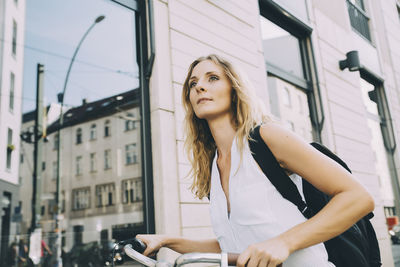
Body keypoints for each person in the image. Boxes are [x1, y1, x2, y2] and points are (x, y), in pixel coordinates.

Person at [136, 54, 375, 267]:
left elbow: (358, 198)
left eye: (212, 78)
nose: (199, 87)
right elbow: (237, 245)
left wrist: (284, 243)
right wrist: (166, 241)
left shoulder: (266, 138)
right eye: (193, 83)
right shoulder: (214, 166)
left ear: (234, 88)